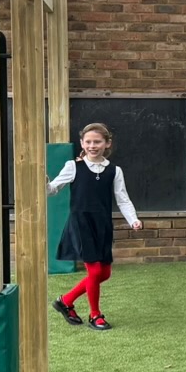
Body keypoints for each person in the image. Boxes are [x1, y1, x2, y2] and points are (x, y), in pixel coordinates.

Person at [47, 121, 141, 330]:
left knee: (104, 273)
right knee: (95, 271)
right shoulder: (73, 166)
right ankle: (95, 315)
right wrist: (43, 184)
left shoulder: (115, 171)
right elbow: (53, 189)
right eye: (88, 141)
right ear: (82, 142)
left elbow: (122, 198)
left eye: (97, 141)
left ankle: (65, 301)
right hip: (80, 224)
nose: (92, 145)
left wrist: (133, 219)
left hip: (102, 225)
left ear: (107, 144)